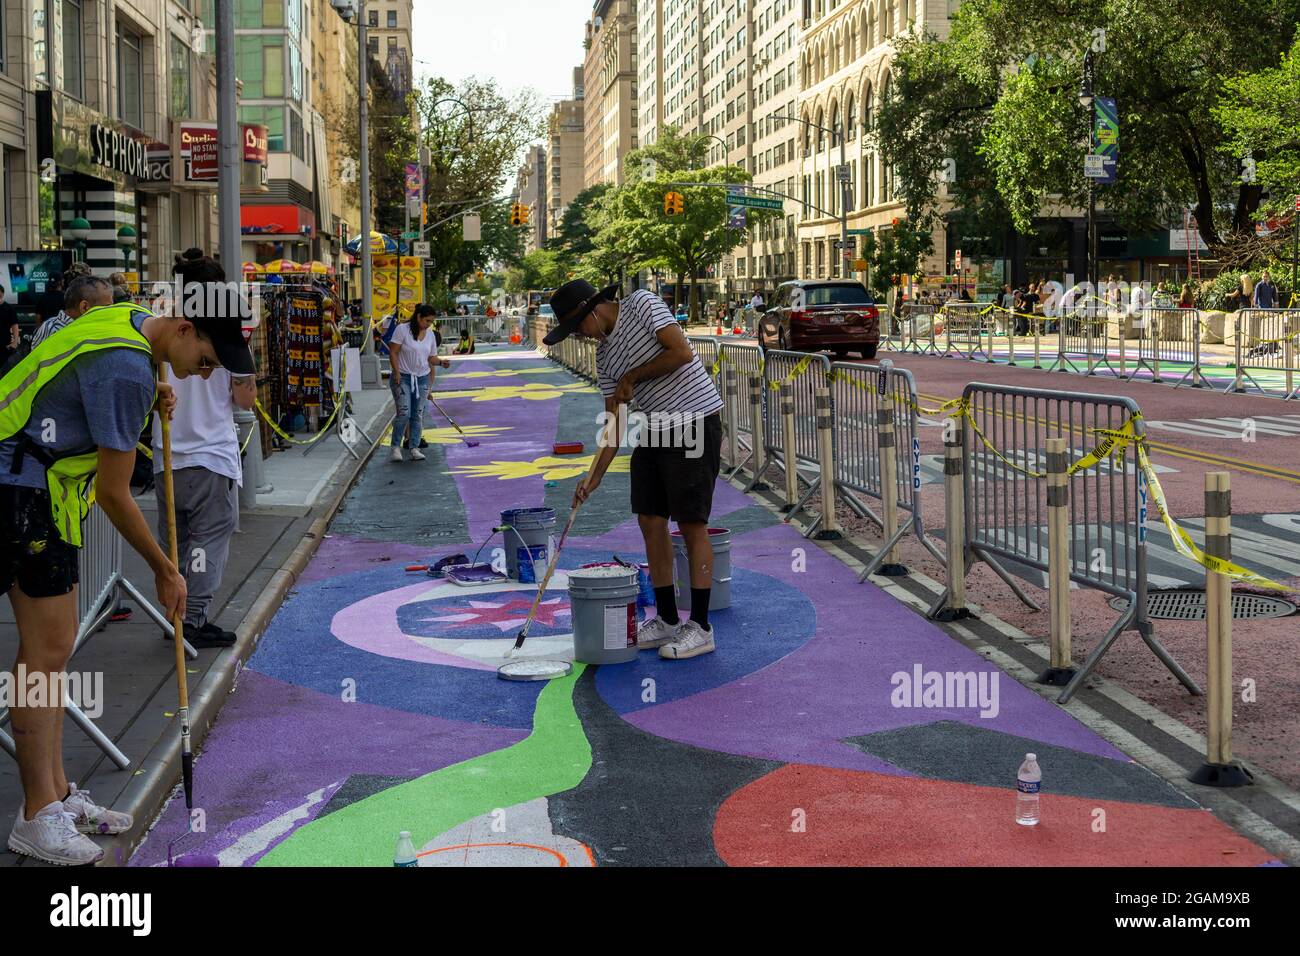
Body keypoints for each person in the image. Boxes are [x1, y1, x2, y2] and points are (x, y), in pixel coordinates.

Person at [1, 258, 254, 865]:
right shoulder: (126, 369)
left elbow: (97, 369)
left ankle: (56, 795)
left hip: (34, 485)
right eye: (206, 362)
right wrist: (167, 569)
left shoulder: (131, 324)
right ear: (187, 326)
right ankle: (37, 814)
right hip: (19, 489)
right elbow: (116, 494)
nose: (201, 375)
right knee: (46, 653)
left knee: (52, 652)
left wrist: (156, 378)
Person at [545, 278, 724, 660]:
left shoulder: (642, 304)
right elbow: (614, 423)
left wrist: (633, 377)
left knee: (691, 522)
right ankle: (668, 619)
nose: (582, 335)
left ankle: (702, 626)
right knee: (649, 518)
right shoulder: (605, 357)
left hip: (694, 420)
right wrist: (592, 477)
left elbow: (681, 352)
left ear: (591, 310)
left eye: (578, 326)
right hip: (653, 429)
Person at [151, 254, 256, 650]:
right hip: (211, 454)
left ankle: (174, 616)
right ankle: (191, 619)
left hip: (167, 454)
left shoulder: (163, 325)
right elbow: (245, 399)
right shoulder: (228, 333)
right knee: (209, 539)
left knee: (174, 544)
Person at [388, 303, 449, 462]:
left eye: (431, 322)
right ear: (418, 316)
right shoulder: (402, 330)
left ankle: (414, 447)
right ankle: (395, 447)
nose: (428, 325)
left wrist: (441, 362)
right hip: (403, 377)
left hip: (422, 377)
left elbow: (431, 358)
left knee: (417, 414)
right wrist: (396, 372)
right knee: (404, 413)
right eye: (427, 321)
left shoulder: (430, 335)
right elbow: (393, 352)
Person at [29, 274, 114, 348]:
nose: (111, 311)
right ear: (84, 307)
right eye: (106, 307)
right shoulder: (57, 332)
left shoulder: (50, 326)